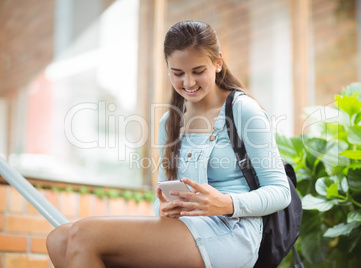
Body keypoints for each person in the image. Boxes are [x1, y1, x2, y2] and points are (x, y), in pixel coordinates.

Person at [46, 20, 290, 268]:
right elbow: (161, 194)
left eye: (198, 71)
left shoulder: (242, 110)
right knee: (59, 239)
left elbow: (281, 192)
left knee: (85, 233)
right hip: (185, 226)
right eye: (178, 73)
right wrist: (163, 208)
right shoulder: (169, 122)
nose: (188, 82)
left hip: (232, 230)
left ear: (218, 63)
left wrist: (226, 203)